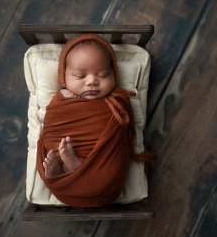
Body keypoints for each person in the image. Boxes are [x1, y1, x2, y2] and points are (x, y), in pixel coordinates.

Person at [36, 33, 152, 207]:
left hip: (104, 176)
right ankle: (62, 171)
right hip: (69, 156)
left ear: (114, 75)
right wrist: (65, 100)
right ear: (63, 77)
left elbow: (120, 137)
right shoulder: (61, 100)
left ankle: (75, 169)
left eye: (103, 75)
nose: (92, 81)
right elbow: (52, 126)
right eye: (80, 76)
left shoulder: (118, 102)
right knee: (54, 149)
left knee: (109, 172)